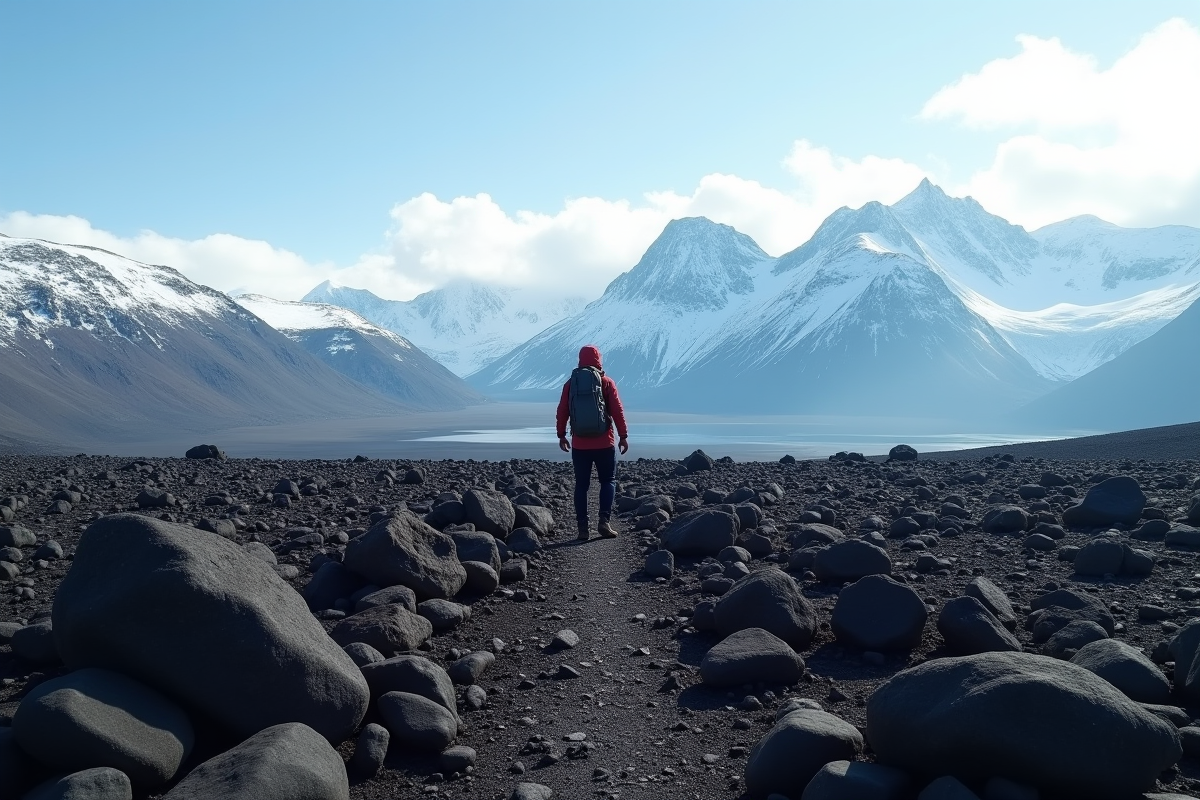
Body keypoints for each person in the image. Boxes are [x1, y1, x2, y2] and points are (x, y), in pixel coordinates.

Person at [556, 344, 629, 541]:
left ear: (580, 360)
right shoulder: (606, 382)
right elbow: (617, 411)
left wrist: (561, 435)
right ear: (599, 360)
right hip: (605, 443)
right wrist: (623, 436)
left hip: (580, 445)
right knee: (608, 481)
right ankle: (604, 522)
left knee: (582, 485)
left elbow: (562, 410)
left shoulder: (570, 384)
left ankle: (582, 529)